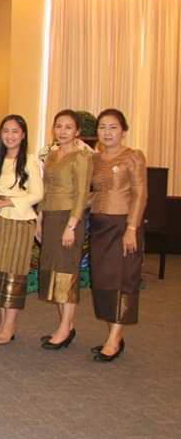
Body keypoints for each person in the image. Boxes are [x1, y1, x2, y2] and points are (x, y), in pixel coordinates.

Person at [88, 108, 147, 362]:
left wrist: (131, 228)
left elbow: (140, 194)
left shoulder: (133, 156)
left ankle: (114, 338)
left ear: (123, 131)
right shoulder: (95, 159)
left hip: (123, 226)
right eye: (102, 127)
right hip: (99, 227)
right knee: (103, 281)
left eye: (113, 127)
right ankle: (112, 333)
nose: (107, 132)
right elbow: (92, 193)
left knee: (123, 280)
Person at [0, 115, 43, 345]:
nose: (10, 136)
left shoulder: (29, 160)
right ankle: (2, 323)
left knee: (14, 274)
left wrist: (5, 202)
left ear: (23, 135)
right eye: (6, 131)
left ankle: (10, 325)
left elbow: (37, 194)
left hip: (19, 221)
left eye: (15, 131)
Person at [39, 109, 92, 350]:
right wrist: (40, 219)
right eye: (58, 126)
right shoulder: (51, 156)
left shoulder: (81, 156)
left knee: (67, 273)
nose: (62, 131)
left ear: (77, 131)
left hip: (69, 218)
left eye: (68, 127)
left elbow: (82, 193)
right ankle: (66, 326)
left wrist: (72, 225)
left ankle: (64, 327)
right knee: (55, 273)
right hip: (50, 218)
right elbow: (45, 189)